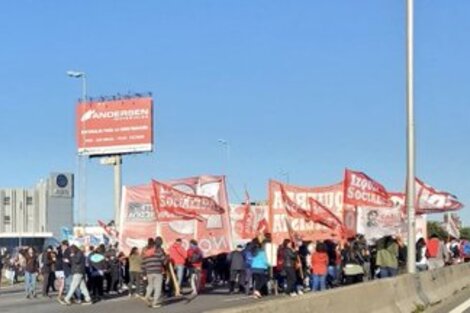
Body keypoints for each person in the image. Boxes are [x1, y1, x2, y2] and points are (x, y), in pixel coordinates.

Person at [142, 236, 167, 308]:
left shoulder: (147, 251)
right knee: (158, 287)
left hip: (149, 272)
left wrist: (143, 273)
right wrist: (167, 258)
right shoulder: (159, 251)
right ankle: (155, 303)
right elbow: (164, 262)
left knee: (150, 285)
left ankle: (147, 297)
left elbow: (143, 263)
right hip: (157, 271)